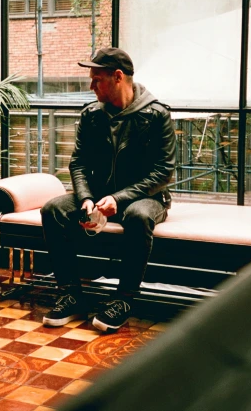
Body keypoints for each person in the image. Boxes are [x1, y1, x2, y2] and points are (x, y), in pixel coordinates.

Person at [40, 47, 176, 332]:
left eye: (96, 80)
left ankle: (124, 299)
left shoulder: (156, 115)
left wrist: (118, 198)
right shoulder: (92, 115)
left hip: (146, 197)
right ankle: (71, 293)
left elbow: (163, 172)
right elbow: (77, 163)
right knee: (53, 209)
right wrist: (87, 197)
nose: (91, 87)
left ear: (117, 77)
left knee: (138, 215)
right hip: (99, 196)